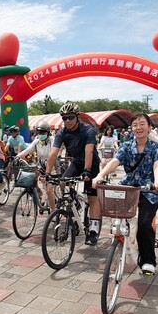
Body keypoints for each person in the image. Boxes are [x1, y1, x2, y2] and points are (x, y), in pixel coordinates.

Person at [93, 113, 158, 276]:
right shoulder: (126, 146)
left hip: (150, 189)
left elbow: (157, 166)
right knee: (116, 214)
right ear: (131, 129)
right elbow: (114, 162)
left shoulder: (155, 147)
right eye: (135, 125)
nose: (138, 127)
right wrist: (100, 176)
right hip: (129, 187)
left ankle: (148, 260)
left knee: (145, 223)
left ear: (149, 127)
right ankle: (120, 243)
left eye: (142, 124)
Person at [44, 102, 101, 244]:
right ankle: (74, 206)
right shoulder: (61, 132)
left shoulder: (88, 130)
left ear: (77, 116)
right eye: (64, 118)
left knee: (92, 198)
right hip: (76, 163)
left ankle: (93, 229)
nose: (67, 121)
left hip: (91, 165)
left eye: (70, 117)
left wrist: (87, 171)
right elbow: (53, 153)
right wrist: (47, 173)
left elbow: (89, 152)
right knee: (62, 181)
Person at [17, 120, 57, 209]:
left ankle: (54, 213)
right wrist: (17, 157)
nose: (41, 134)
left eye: (43, 132)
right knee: (31, 179)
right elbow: (27, 151)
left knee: (49, 191)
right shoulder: (36, 141)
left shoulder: (52, 140)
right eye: (39, 132)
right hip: (42, 167)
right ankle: (38, 193)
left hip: (53, 169)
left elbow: (54, 154)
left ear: (48, 132)